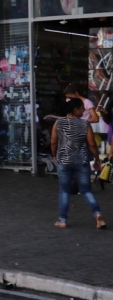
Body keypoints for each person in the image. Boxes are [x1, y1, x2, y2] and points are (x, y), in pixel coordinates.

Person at [52, 97, 105, 229]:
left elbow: (53, 141)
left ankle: (62, 220)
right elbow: (92, 144)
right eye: (82, 108)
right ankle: (97, 214)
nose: (83, 110)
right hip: (82, 161)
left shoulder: (58, 123)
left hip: (63, 161)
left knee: (64, 190)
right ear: (75, 110)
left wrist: (54, 155)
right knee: (86, 190)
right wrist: (97, 160)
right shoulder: (85, 124)